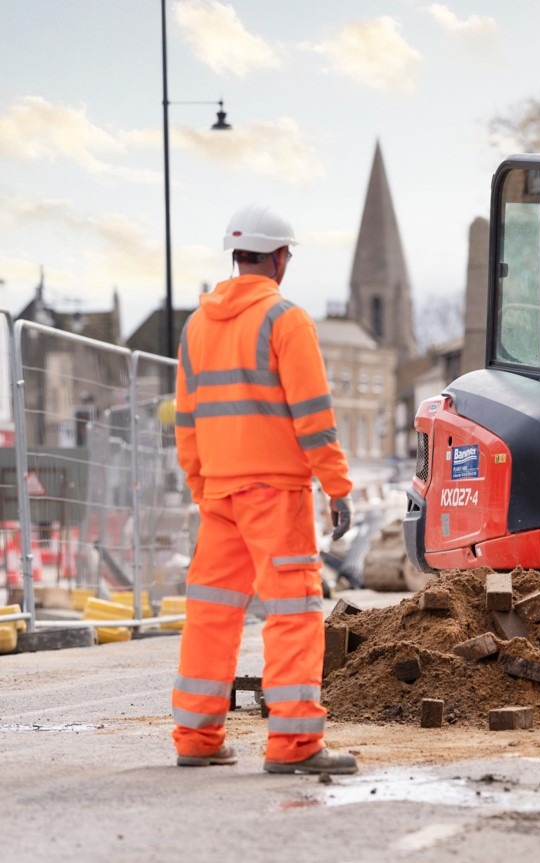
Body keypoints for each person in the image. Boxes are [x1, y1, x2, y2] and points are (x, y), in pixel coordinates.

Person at [171, 204, 357, 776]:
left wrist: (203, 486)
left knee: (210, 613)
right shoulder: (285, 320)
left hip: (221, 493)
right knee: (294, 612)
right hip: (275, 493)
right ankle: (295, 745)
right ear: (278, 258)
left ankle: (197, 737)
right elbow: (313, 416)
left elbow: (186, 420)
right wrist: (337, 484)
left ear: (237, 256)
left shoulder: (198, 325)